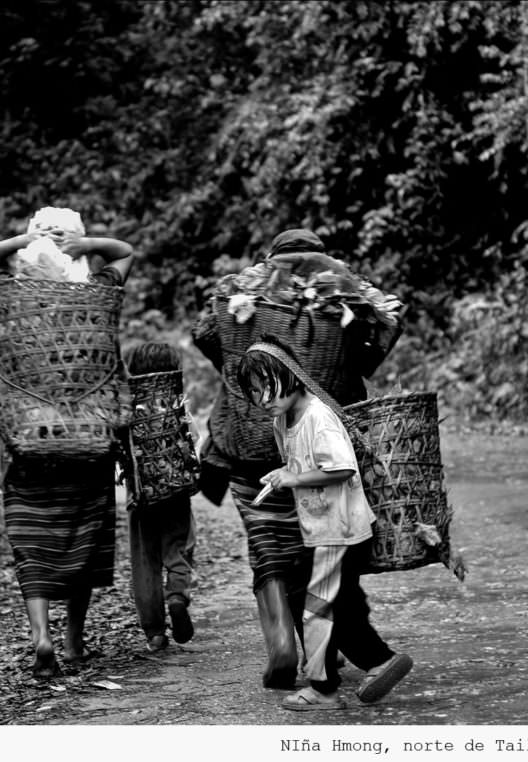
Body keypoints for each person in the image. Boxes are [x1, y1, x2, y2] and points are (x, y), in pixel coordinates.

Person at [193, 228, 367, 690]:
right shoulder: (342, 293)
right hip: (313, 450)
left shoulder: (241, 291)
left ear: (270, 258)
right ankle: (323, 652)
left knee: (267, 545)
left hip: (245, 446)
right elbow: (379, 339)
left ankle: (283, 647)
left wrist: (249, 368)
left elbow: (206, 336)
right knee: (317, 553)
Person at [0, 207, 135, 678]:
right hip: (91, 436)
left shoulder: (9, 291)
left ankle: (41, 636)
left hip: (27, 441)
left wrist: (26, 240)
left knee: (32, 542)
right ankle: (74, 638)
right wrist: (84, 246)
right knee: (83, 539)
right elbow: (124, 252)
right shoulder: (99, 292)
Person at [237, 337, 413, 710]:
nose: (263, 398)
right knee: (337, 605)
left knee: (316, 605)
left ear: (291, 375)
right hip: (323, 530)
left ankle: (324, 689)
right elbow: (304, 463)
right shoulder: (284, 421)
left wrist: (294, 480)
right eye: (255, 392)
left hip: (340, 530)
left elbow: (342, 467)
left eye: (268, 386)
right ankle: (380, 660)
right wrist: (283, 473)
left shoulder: (318, 416)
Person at [124, 342, 196, 652]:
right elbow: (192, 442)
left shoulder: (128, 409)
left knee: (145, 561)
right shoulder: (176, 404)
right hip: (176, 491)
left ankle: (154, 631)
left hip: (141, 496)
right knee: (178, 547)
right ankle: (178, 595)